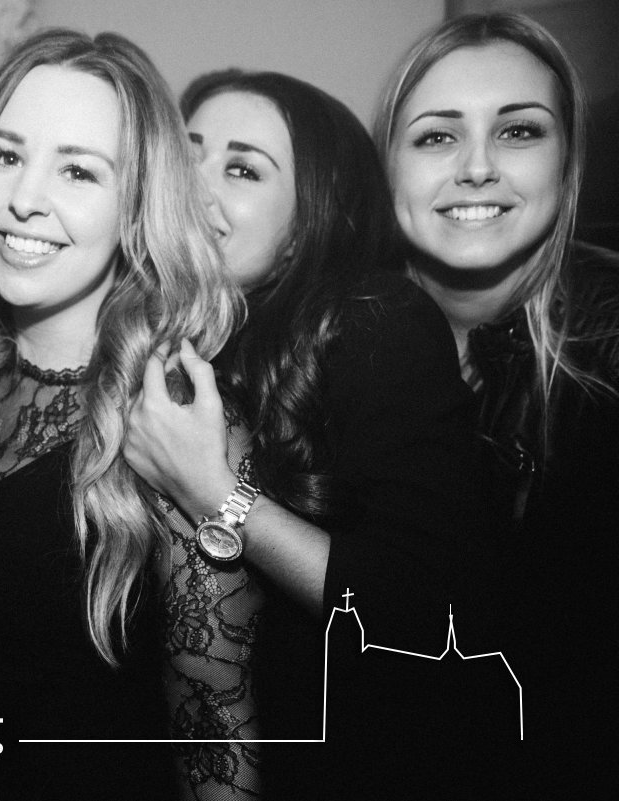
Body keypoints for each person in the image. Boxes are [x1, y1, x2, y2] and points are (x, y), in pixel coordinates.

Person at [123, 68, 501, 798]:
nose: (193, 187)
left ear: (305, 227)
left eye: (242, 169)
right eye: (185, 155)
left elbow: (430, 611)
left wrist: (215, 494)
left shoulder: (375, 321)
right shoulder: (157, 332)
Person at [0, 29, 251, 801]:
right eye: (5, 155)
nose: (25, 198)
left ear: (137, 208)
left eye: (78, 170)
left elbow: (216, 733)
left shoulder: (177, 421)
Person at [377, 11, 619, 794]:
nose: (476, 167)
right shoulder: (326, 333)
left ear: (568, 161)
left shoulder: (608, 341)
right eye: (436, 136)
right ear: (388, 167)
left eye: (519, 131)